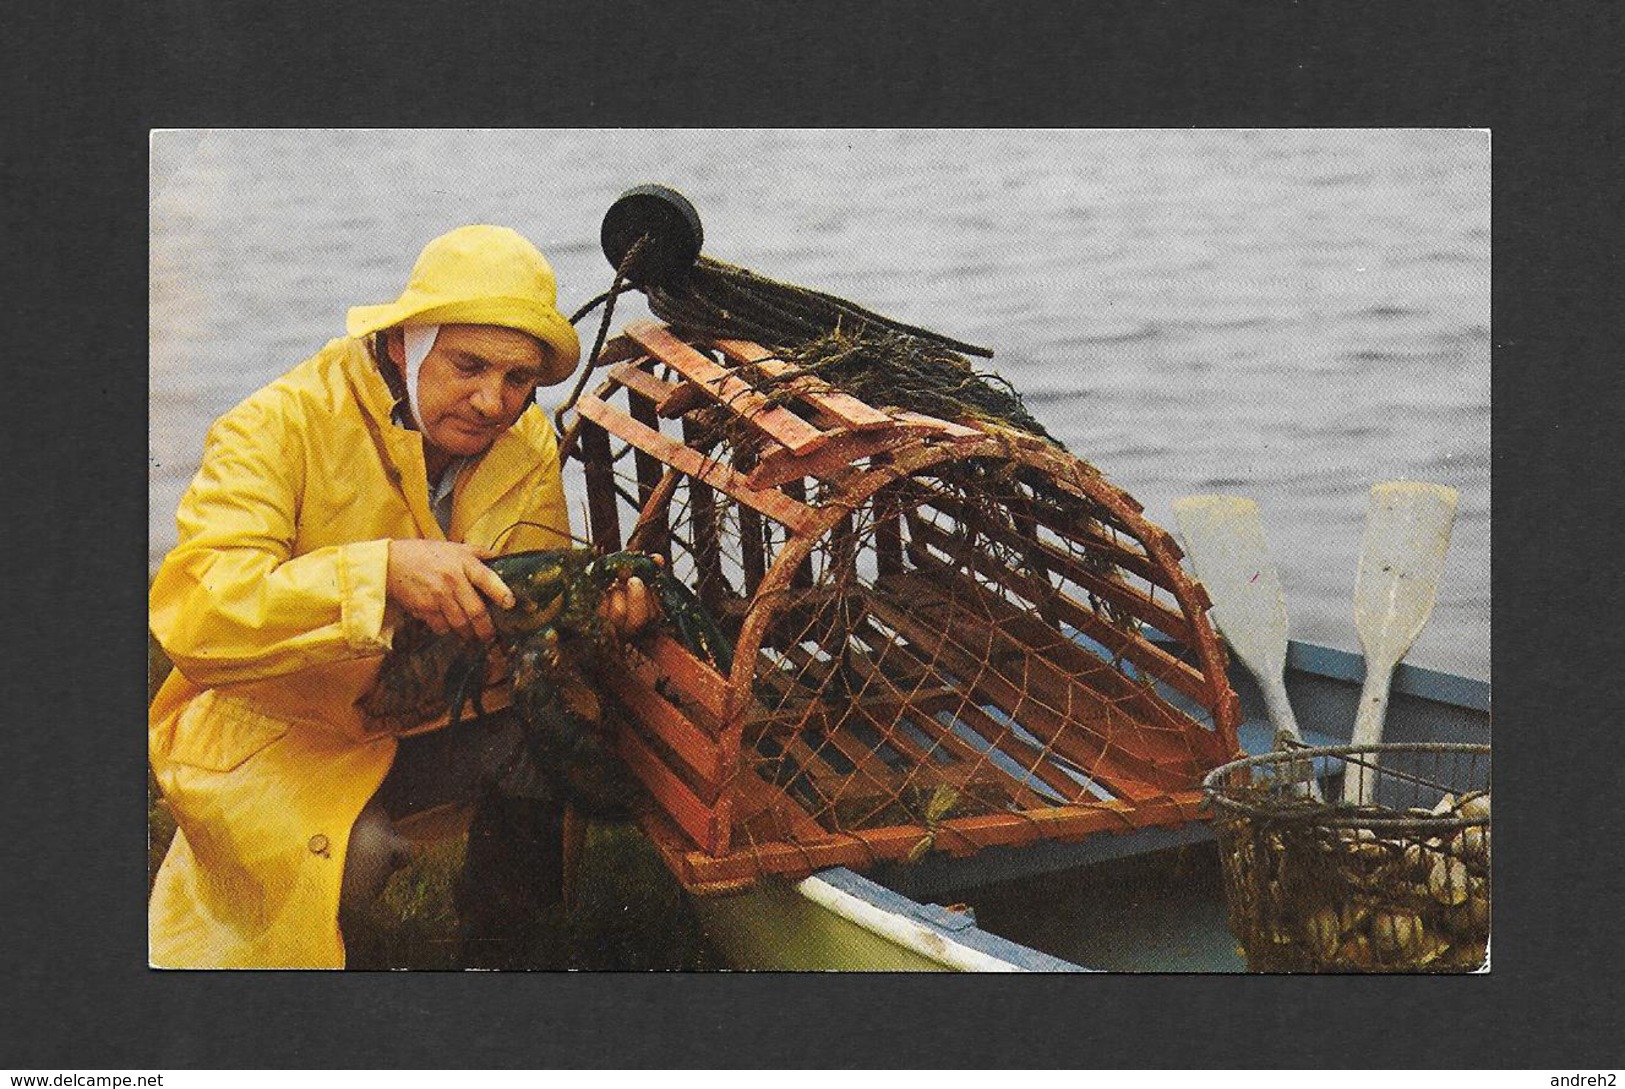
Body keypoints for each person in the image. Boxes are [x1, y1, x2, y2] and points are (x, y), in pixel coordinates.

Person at [148, 224, 648, 969]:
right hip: (279, 728)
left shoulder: (526, 440)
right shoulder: (274, 426)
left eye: (518, 381)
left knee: (547, 743)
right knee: (356, 855)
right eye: (467, 365)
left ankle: (499, 961)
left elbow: (524, 606)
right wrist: (376, 573)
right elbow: (198, 612)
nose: (491, 401)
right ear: (399, 345)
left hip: (419, 713)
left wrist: (594, 615)